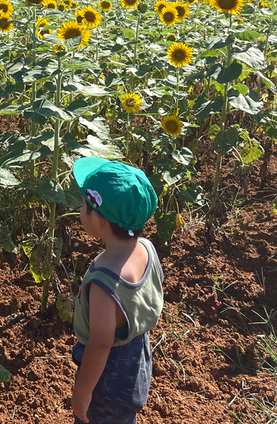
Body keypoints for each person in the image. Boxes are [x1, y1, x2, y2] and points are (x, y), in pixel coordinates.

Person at [70, 157, 163, 424]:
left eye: (84, 205)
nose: (80, 209)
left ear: (99, 220)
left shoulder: (105, 282)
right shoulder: (146, 248)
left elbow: (100, 344)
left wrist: (83, 391)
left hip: (108, 374)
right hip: (137, 357)